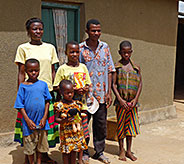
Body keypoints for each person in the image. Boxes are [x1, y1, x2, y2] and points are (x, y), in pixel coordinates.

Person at [14, 17, 59, 164]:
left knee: (45, 127)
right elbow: (21, 72)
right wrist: (20, 92)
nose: (38, 31)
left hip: (47, 92)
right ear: (28, 31)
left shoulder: (50, 48)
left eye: (40, 28)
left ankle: (44, 156)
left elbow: (53, 71)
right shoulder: (23, 48)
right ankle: (29, 157)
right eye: (34, 29)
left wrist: (54, 88)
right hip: (30, 93)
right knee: (29, 126)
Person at [79, 19, 115, 164]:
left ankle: (99, 152)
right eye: (93, 30)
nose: (96, 33)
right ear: (87, 31)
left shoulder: (105, 47)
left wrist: (109, 92)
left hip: (101, 95)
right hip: (85, 96)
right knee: (83, 124)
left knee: (100, 125)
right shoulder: (81, 48)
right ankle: (84, 151)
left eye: (98, 30)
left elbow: (110, 70)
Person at [53, 41, 91, 163]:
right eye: (72, 52)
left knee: (80, 134)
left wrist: (85, 88)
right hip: (66, 109)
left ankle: (79, 160)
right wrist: (71, 90)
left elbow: (88, 84)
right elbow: (55, 87)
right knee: (69, 134)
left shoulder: (83, 67)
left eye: (77, 52)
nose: (74, 54)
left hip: (81, 106)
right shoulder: (62, 69)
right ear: (66, 53)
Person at [14, 59, 51, 164]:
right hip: (28, 123)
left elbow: (47, 101)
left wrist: (44, 118)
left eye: (36, 70)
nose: (34, 73)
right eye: (31, 70)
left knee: (40, 146)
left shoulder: (43, 85)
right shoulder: (23, 86)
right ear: (26, 71)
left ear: (39, 70)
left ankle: (38, 162)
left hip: (41, 122)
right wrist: (27, 120)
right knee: (30, 147)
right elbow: (20, 106)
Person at [112, 40, 142, 161]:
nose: (126, 55)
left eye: (128, 52)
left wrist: (135, 99)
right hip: (121, 103)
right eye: (124, 53)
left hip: (133, 103)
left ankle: (129, 151)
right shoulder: (117, 67)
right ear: (120, 52)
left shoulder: (136, 67)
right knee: (121, 127)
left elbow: (140, 84)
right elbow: (113, 84)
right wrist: (120, 99)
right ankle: (121, 150)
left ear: (131, 52)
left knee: (131, 128)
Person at [54, 80, 88, 164]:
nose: (70, 95)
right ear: (61, 93)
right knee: (66, 152)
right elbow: (56, 119)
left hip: (76, 133)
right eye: (67, 93)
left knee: (74, 150)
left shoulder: (77, 104)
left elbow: (80, 115)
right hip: (66, 134)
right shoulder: (60, 105)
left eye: (72, 92)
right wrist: (64, 120)